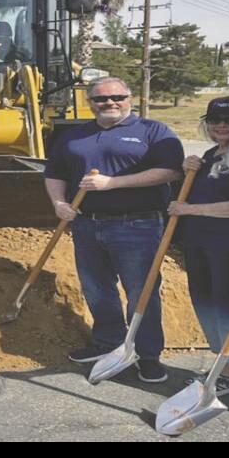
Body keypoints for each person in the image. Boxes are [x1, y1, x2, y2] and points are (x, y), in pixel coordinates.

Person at [43, 76, 184, 383]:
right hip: (86, 224)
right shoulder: (73, 136)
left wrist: (112, 183)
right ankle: (108, 341)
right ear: (89, 102)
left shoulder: (152, 131)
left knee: (141, 291)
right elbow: (54, 173)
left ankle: (147, 354)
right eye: (100, 99)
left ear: (129, 98)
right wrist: (58, 203)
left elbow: (170, 171)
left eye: (117, 97)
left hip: (138, 223)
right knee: (96, 287)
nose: (109, 103)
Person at [168, 97, 229, 396]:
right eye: (215, 120)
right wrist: (187, 171)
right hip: (199, 242)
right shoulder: (209, 155)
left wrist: (190, 211)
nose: (222, 125)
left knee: (228, 304)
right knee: (205, 302)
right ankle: (224, 364)